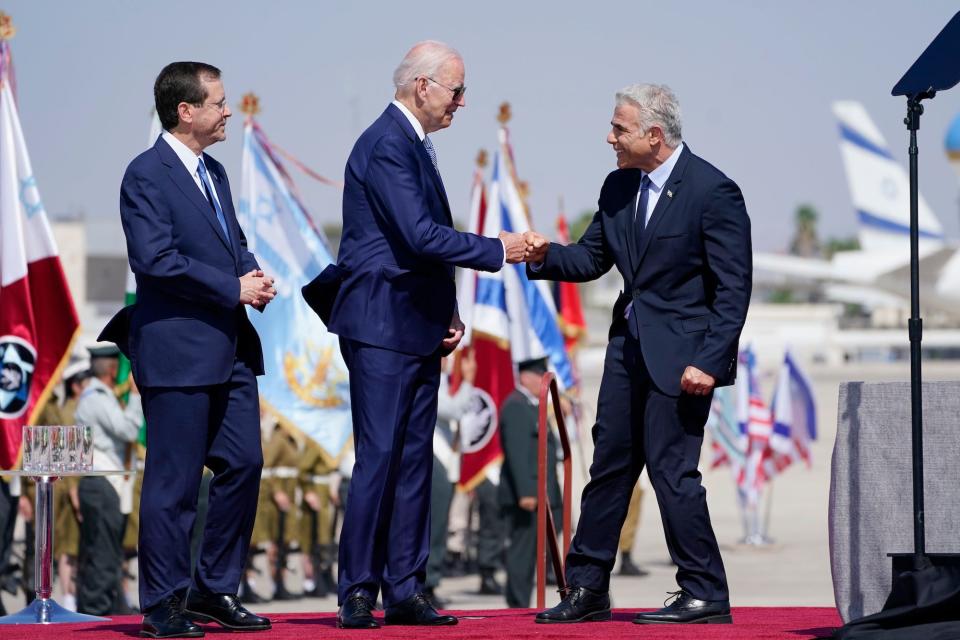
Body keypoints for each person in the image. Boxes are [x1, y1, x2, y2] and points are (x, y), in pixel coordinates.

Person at [318, 40, 529, 629]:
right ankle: (358, 589)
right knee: (380, 459)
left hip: (416, 325)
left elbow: (428, 244)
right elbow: (419, 236)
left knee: (413, 462)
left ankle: (406, 587)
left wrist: (448, 312)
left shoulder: (415, 145)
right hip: (381, 325)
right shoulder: (387, 143)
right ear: (423, 86)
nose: (463, 102)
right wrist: (497, 249)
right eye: (457, 90)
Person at [526, 84, 751, 625]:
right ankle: (587, 588)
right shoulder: (618, 187)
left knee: (673, 474)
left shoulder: (713, 191)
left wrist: (710, 361)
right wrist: (540, 255)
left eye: (618, 128)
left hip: (682, 361)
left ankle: (705, 592)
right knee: (609, 468)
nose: (610, 137)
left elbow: (733, 287)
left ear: (654, 135)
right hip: (627, 352)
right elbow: (591, 258)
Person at [100, 61, 276, 637]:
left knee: (245, 464)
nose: (228, 112)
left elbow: (233, 242)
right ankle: (163, 604)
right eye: (219, 102)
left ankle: (213, 588)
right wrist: (232, 287)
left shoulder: (215, 172)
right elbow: (154, 260)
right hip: (176, 351)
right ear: (186, 111)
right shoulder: (146, 174)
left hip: (230, 352)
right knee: (173, 485)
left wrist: (251, 273)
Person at [74, 344, 141, 616]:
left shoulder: (98, 395)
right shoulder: (97, 397)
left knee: (108, 551)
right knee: (102, 553)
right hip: (102, 481)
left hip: (104, 482)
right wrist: (135, 397)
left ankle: (108, 605)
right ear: (113, 370)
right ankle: (95, 608)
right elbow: (127, 429)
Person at [498, 357, 562, 609]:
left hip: (544, 492)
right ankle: (518, 602)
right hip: (528, 494)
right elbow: (517, 452)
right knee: (522, 552)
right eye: (539, 376)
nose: (542, 382)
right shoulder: (516, 406)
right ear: (525, 377)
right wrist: (526, 492)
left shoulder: (532, 405)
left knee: (544, 547)